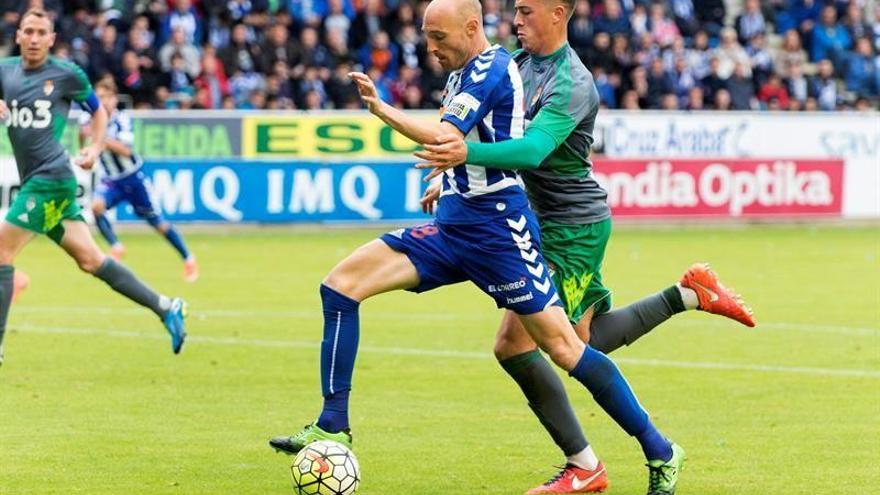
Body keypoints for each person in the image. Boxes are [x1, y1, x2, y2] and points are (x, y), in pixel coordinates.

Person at [270, 1, 685, 494]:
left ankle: (657, 449)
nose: (429, 48)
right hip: (454, 228)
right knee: (341, 286)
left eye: (438, 38)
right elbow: (472, 138)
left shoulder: (520, 72)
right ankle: (332, 423)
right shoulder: (490, 65)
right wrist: (451, 178)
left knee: (566, 346)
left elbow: (490, 144)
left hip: (507, 233)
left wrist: (384, 111)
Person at [414, 0, 755, 493]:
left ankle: (603, 463)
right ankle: (687, 294)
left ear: (558, 14)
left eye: (527, 12)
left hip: (571, 228)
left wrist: (463, 154)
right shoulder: (516, 63)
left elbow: (531, 150)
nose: (516, 20)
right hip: (534, 218)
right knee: (583, 341)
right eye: (515, 11)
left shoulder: (572, 82)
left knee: (519, 345)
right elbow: (492, 128)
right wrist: (454, 178)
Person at [0, 8, 188, 367]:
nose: (35, 38)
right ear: (19, 35)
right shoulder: (5, 70)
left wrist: (96, 146)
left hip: (51, 179)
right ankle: (166, 307)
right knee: (91, 260)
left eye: (42, 32)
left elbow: (98, 111)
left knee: (0, 252)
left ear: (52, 39)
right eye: (29, 31)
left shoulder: (66, 74)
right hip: (37, 181)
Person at [79, 80, 199, 282]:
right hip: (112, 180)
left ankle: (188, 258)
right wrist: (83, 141)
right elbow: (82, 139)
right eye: (98, 97)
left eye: (106, 97)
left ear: (114, 100)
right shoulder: (89, 119)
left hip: (134, 179)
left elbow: (126, 150)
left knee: (158, 224)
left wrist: (100, 139)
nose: (102, 101)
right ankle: (116, 247)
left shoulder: (122, 120)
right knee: (96, 207)